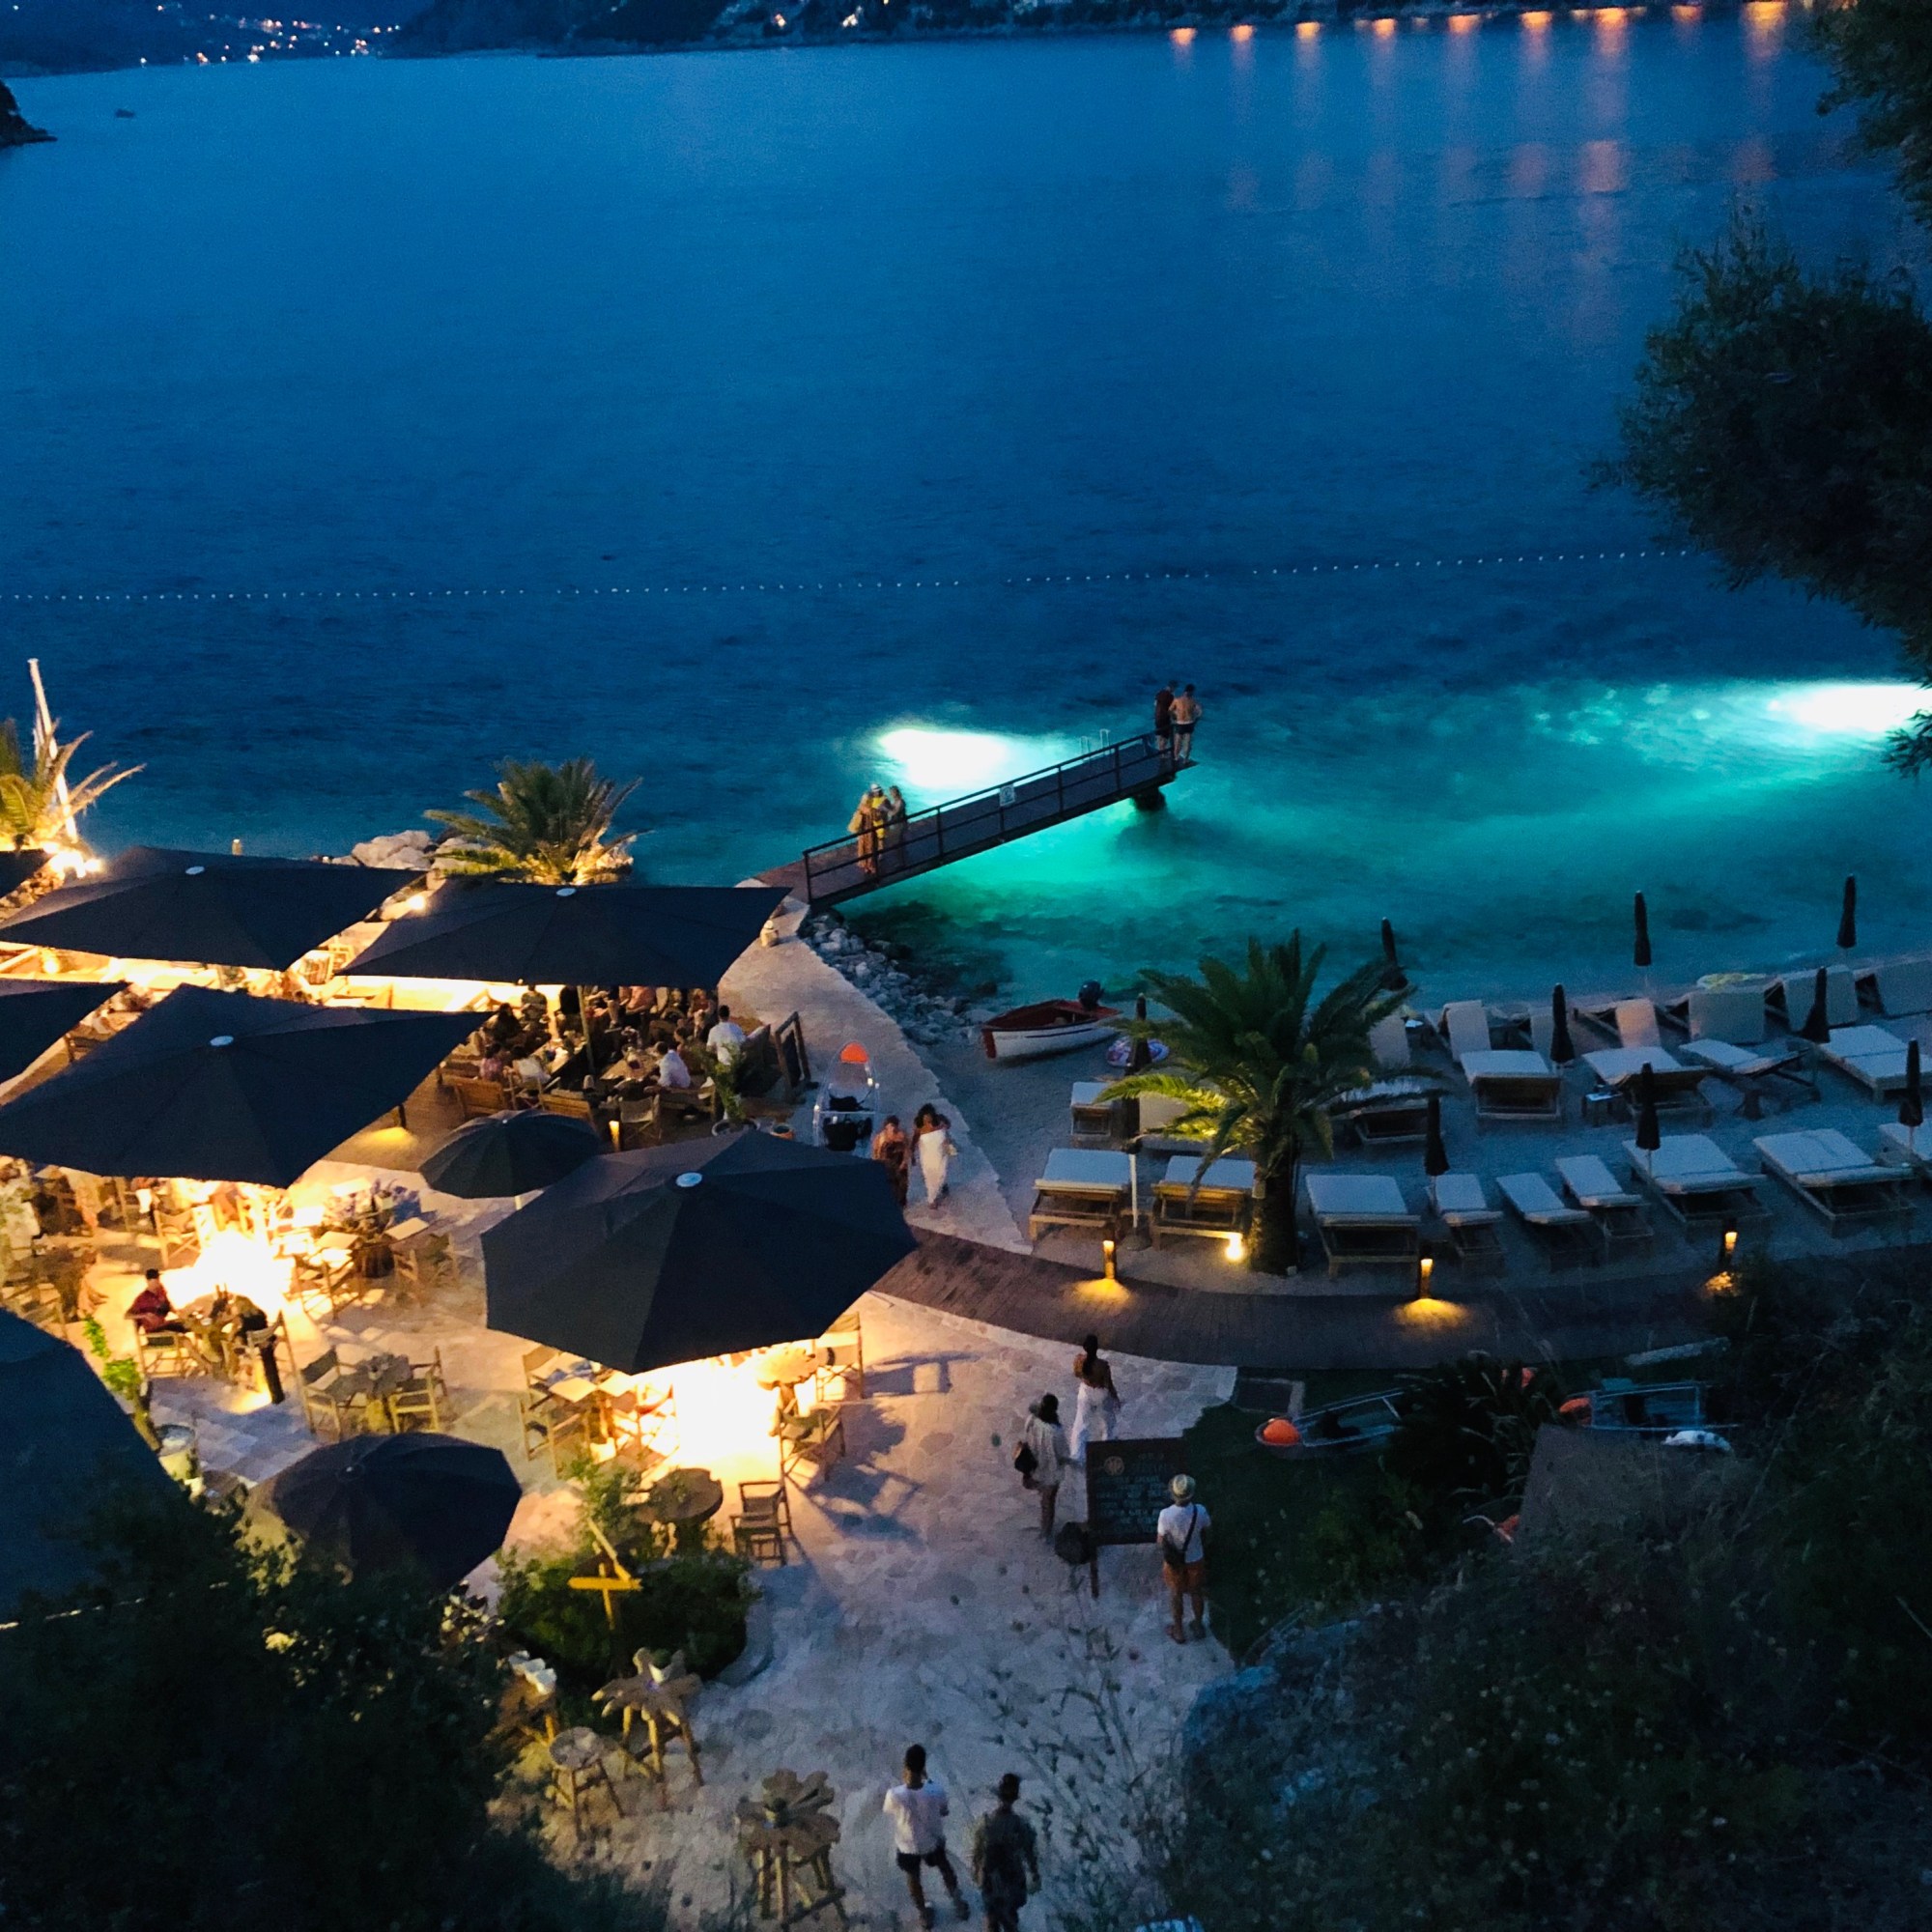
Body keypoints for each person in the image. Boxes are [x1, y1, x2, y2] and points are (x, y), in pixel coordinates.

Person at [883, 1745, 971, 1928]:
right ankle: (958, 1903)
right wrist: (928, 1779)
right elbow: (944, 1811)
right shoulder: (935, 1789)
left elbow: (889, 1811)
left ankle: (924, 1914)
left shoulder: (894, 1794)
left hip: (907, 1846)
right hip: (932, 1843)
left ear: (905, 1766)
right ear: (923, 1767)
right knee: (945, 1868)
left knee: (913, 1877)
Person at [970, 1774, 1040, 1932]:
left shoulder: (986, 1822)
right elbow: (1029, 1852)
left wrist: (976, 1870)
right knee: (1010, 1917)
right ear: (1016, 1796)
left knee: (991, 1916)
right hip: (1012, 1877)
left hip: (990, 1876)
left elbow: (977, 1851)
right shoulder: (1021, 1825)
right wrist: (1035, 1873)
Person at [1157, 1473, 1210, 1644]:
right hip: (1196, 1558)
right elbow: (1207, 1531)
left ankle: (1179, 1631)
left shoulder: (1165, 1515)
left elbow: (1160, 1540)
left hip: (1175, 1563)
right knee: (1197, 1592)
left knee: (1176, 1594)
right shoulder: (1200, 1511)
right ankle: (1198, 1625)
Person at [1018, 1394, 1068, 1538]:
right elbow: (1063, 1453)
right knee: (1049, 1502)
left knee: (1044, 1500)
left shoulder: (1032, 1421)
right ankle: (1046, 1531)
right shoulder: (1057, 1431)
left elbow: (1026, 1436)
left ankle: (1044, 1528)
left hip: (1036, 1469)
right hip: (1051, 1473)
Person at [1067, 1333, 1121, 1463]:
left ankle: (1077, 1454)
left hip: (1085, 1392)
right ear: (1096, 1348)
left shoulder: (1078, 1360)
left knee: (1080, 1423)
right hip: (1101, 1394)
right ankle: (1107, 1448)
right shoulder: (1103, 1365)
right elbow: (1108, 1384)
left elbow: (1076, 1374)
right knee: (1108, 1422)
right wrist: (1115, 1398)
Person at [915, 1108, 957, 1207]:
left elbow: (948, 1125)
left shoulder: (940, 1120)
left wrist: (943, 1126)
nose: (927, 1120)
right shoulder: (919, 1127)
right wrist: (912, 1153)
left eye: (929, 1117)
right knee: (929, 1175)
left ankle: (942, 1185)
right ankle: (932, 1199)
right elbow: (915, 1139)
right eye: (925, 1118)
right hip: (927, 1154)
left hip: (941, 1152)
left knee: (942, 1173)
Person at [869, 1114, 912, 1207]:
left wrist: (904, 1162)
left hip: (899, 1162)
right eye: (890, 1126)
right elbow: (875, 1152)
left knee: (902, 1186)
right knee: (889, 1185)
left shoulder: (902, 1135)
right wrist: (876, 1164)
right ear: (886, 1127)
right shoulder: (880, 1137)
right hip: (886, 1163)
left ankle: (901, 1204)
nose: (893, 1128)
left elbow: (907, 1150)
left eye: (894, 1125)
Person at [128, 1269, 182, 1335]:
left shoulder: (160, 1291)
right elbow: (127, 1315)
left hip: (164, 1325)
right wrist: (144, 1315)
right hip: (154, 1332)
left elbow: (168, 1305)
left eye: (158, 1280)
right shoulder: (142, 1298)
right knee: (183, 1334)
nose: (157, 1283)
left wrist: (178, 1312)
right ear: (148, 1281)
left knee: (188, 1324)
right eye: (155, 1281)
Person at [851, 784, 885, 879]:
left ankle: (864, 866)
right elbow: (877, 817)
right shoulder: (870, 810)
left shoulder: (860, 807)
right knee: (870, 848)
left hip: (862, 832)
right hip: (869, 832)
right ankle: (871, 866)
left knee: (862, 848)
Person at [879, 786, 909, 874]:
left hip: (899, 825)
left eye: (892, 793)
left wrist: (885, 808)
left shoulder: (900, 802)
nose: (891, 794)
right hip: (896, 825)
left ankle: (901, 862)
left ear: (896, 793)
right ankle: (902, 859)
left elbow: (894, 813)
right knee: (898, 842)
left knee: (897, 843)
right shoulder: (896, 801)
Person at [1171, 683, 1201, 761]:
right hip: (1189, 723)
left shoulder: (1177, 700)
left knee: (1177, 742)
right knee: (1187, 742)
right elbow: (1200, 712)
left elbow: (1170, 710)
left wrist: (1174, 718)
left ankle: (1176, 757)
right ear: (1191, 691)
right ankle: (1186, 759)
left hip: (1179, 723)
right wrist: (1196, 720)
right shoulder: (1193, 701)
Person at [1152, 682, 1176, 753]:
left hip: (1157, 717)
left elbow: (1155, 704)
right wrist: (1174, 718)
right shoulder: (1171, 696)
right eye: (1174, 688)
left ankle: (1160, 751)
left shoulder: (1159, 693)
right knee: (1165, 737)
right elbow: (1171, 709)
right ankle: (1162, 753)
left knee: (1159, 735)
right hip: (1165, 718)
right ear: (1172, 688)